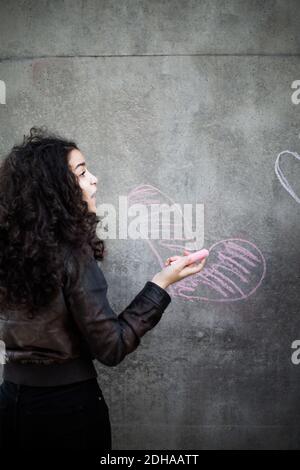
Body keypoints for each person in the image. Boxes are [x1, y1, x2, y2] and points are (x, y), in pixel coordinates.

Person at [0, 127, 207, 450]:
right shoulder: (71, 254)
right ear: (56, 189)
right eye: (82, 173)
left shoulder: (10, 254)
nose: (94, 179)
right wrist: (162, 283)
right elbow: (111, 347)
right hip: (67, 414)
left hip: (9, 403)